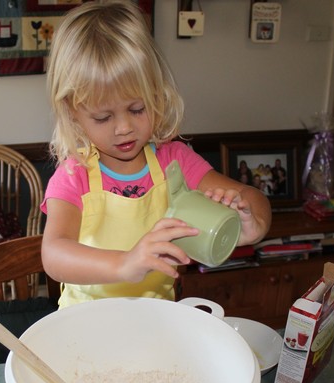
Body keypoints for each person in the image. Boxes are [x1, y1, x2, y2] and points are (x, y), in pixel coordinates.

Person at [41, 0, 271, 308]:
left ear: (156, 95)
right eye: (103, 117)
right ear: (73, 112)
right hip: (87, 323)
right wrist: (125, 263)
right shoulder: (74, 176)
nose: (123, 128)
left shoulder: (174, 161)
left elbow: (250, 196)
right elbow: (54, 254)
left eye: (137, 109)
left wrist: (252, 224)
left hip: (157, 317)